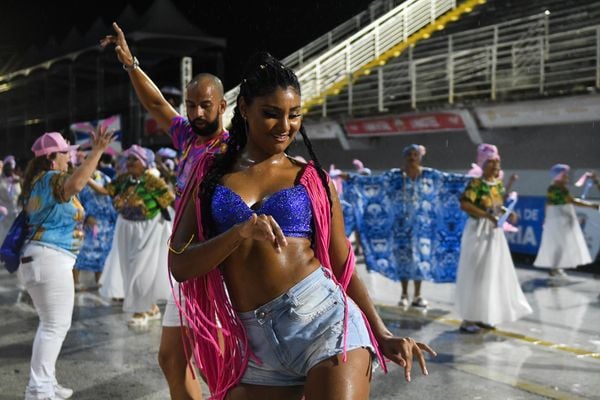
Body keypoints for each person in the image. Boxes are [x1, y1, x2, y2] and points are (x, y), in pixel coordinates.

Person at [169, 52, 435, 400]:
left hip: (325, 323)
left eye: (294, 115)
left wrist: (381, 333)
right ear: (244, 109)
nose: (285, 126)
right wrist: (238, 233)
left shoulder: (312, 180)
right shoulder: (209, 175)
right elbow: (180, 264)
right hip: (254, 344)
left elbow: (343, 266)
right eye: (271, 114)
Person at [101, 22, 229, 400]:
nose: (196, 112)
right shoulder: (187, 138)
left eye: (205, 105)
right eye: (191, 105)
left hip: (216, 270)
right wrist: (130, 64)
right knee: (171, 359)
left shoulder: (232, 149)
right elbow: (156, 103)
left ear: (222, 105)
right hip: (184, 267)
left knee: (216, 363)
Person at [18, 128, 114, 400]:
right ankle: (38, 390)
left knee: (50, 325)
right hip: (50, 258)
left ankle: (46, 383)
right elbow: (75, 186)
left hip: (42, 258)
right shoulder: (51, 177)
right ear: (52, 158)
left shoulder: (39, 180)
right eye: (65, 153)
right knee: (53, 327)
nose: (68, 158)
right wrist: (96, 152)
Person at [455, 144, 532, 333]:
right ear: (483, 163)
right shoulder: (476, 184)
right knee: (476, 273)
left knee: (491, 275)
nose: (496, 164)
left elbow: (497, 205)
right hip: (478, 231)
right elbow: (465, 204)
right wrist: (487, 216)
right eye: (492, 161)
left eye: (497, 161)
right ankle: (468, 318)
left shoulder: (496, 184)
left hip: (494, 232)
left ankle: (483, 316)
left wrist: (507, 213)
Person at [96, 145, 175, 325]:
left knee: (142, 271)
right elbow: (105, 190)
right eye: (128, 159)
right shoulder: (124, 180)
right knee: (130, 271)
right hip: (126, 228)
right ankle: (151, 308)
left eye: (134, 159)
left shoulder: (153, 181)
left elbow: (172, 201)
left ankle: (141, 311)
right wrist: (85, 177)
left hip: (150, 230)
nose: (129, 162)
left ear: (145, 163)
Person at [533, 164, 599, 277]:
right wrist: (591, 205)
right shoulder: (555, 188)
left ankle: (557, 267)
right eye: (565, 175)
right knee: (559, 244)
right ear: (559, 176)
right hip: (558, 220)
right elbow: (571, 201)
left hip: (563, 219)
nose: (567, 177)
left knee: (562, 244)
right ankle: (554, 267)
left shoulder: (559, 188)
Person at [72, 166, 117, 291]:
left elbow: (108, 192)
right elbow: (75, 200)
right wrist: (85, 217)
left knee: (103, 252)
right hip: (87, 221)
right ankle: (75, 282)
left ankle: (99, 281)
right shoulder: (77, 179)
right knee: (80, 251)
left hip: (105, 221)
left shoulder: (103, 177)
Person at [0, 156, 22, 243]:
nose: (9, 170)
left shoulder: (17, 179)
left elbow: (21, 196)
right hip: (3, 215)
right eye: (7, 167)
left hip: (15, 213)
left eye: (11, 168)